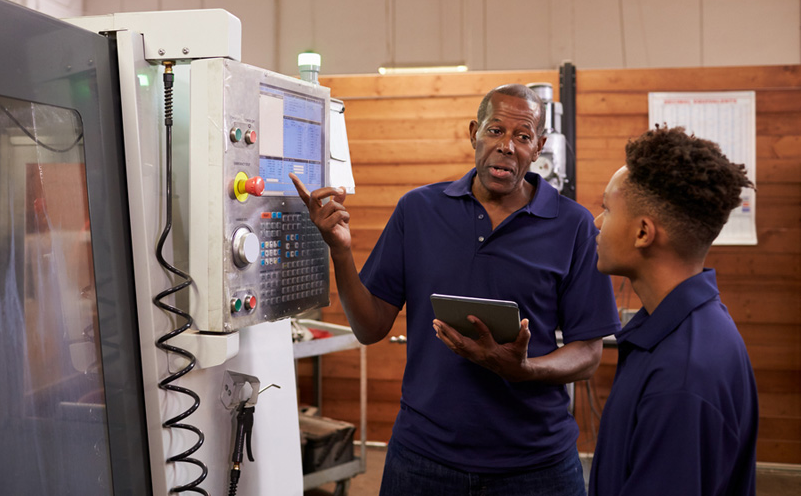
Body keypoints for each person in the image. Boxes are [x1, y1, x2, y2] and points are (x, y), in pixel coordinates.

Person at [291, 84, 621, 495]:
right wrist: (340, 252)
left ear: (538, 147)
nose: (506, 146)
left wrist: (524, 370)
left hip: (536, 466)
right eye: (495, 130)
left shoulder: (572, 225)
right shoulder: (419, 210)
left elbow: (588, 354)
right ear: (473, 134)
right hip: (423, 459)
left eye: (522, 136)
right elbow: (370, 328)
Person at [589, 125, 758, 496]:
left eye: (606, 210)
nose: (597, 226)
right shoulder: (687, 330)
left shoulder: (682, 377)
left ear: (643, 233)